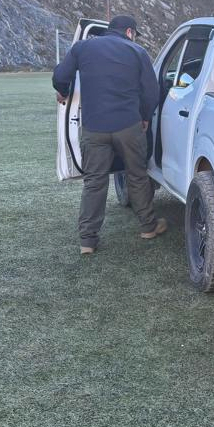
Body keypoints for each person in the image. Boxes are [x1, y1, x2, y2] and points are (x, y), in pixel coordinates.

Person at [53, 15, 165, 254]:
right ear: (129, 32)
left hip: (94, 128)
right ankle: (148, 226)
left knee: (94, 183)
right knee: (137, 175)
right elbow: (151, 91)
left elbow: (61, 75)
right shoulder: (138, 52)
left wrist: (62, 92)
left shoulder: (82, 47)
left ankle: (88, 241)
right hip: (129, 125)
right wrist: (144, 116)